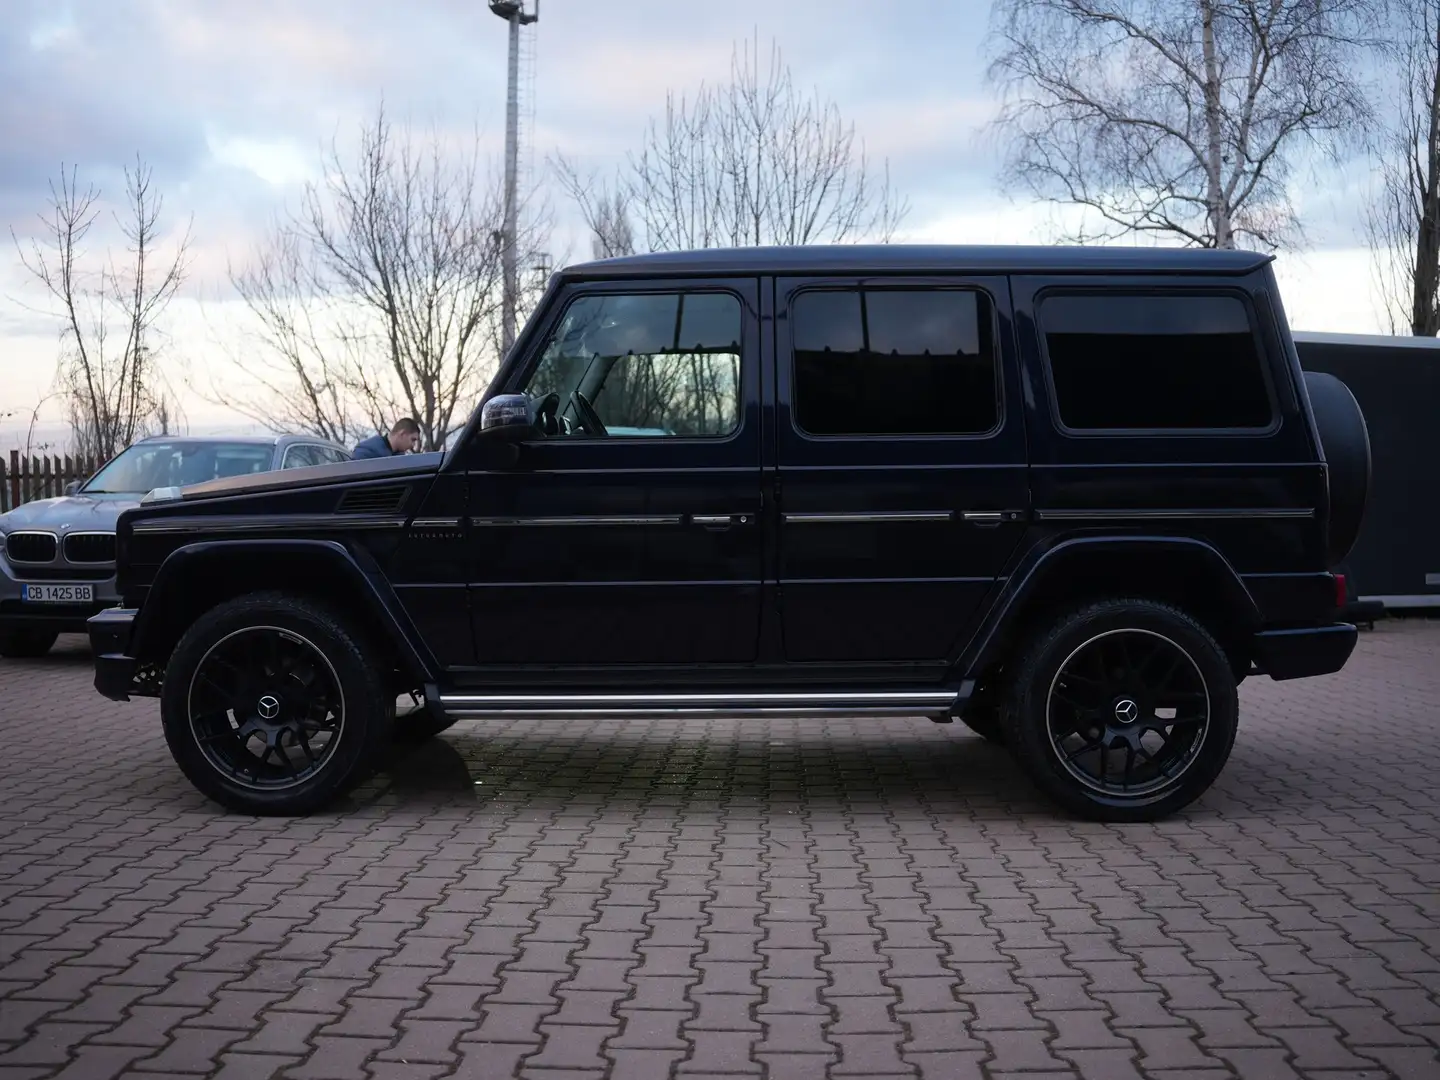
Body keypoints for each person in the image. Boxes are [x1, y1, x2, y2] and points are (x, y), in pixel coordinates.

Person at [352, 418, 422, 460]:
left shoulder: (400, 457)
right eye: (413, 440)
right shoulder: (366, 451)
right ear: (402, 434)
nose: (413, 445)